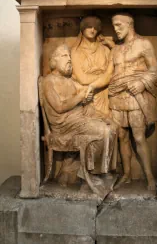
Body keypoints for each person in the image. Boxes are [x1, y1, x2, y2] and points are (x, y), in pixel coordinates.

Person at [86, 13, 157, 190]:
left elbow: (155, 70)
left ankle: (150, 177)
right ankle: (126, 174)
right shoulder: (116, 50)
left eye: (119, 25)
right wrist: (92, 85)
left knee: (139, 137)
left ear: (130, 24)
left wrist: (141, 83)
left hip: (135, 98)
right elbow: (108, 75)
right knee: (122, 137)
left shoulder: (144, 44)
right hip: (117, 97)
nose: (115, 29)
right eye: (113, 25)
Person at [42, 44, 118, 198]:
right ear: (54, 61)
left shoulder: (69, 81)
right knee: (101, 130)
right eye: (64, 56)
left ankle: (103, 171)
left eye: (69, 56)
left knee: (112, 127)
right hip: (63, 125)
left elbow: (82, 102)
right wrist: (80, 97)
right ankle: (90, 175)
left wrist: (100, 114)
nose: (69, 59)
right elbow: (59, 106)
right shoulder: (49, 81)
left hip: (77, 119)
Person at [71, 16, 112, 116]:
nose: (93, 30)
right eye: (89, 27)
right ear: (83, 28)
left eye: (95, 27)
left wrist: (113, 46)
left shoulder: (105, 50)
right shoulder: (76, 51)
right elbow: (82, 78)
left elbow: (112, 73)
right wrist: (104, 78)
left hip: (105, 93)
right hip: (87, 94)